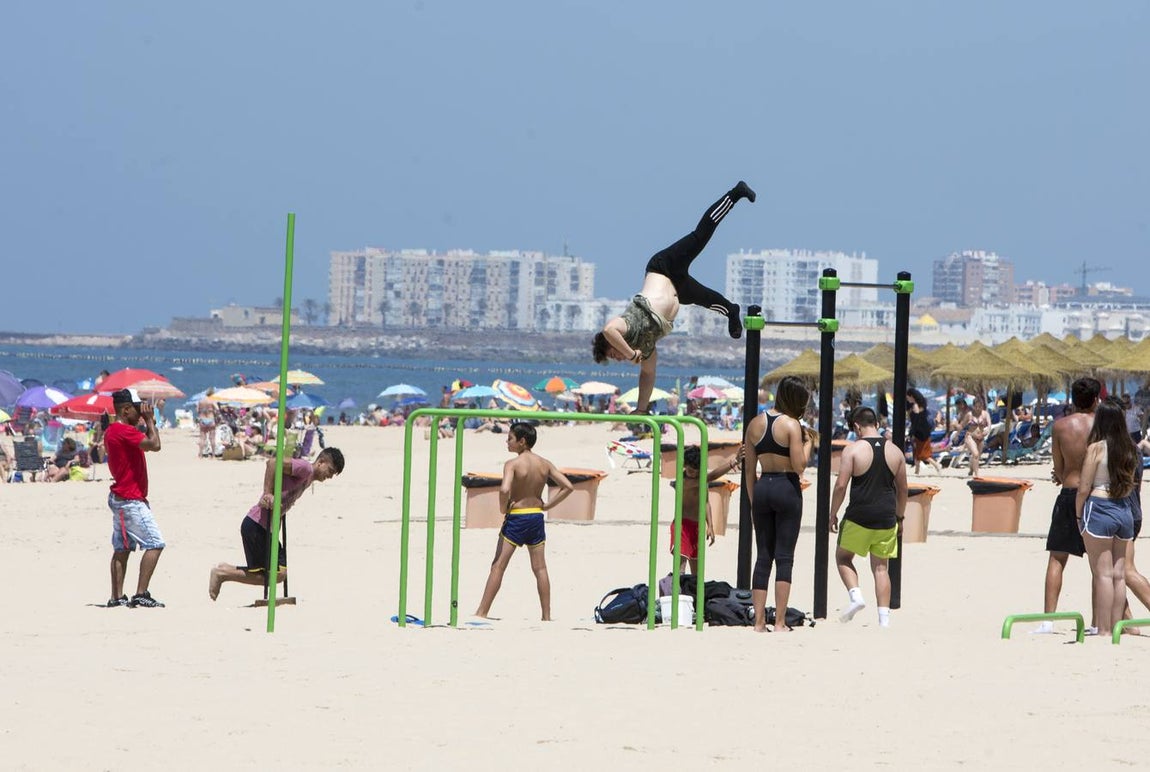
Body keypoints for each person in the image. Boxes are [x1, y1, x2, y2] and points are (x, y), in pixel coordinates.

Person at [592, 182, 755, 413]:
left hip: (664, 268)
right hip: (678, 291)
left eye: (613, 354)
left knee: (700, 236)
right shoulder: (645, 348)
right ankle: (732, 311)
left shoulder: (626, 328)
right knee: (708, 299)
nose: (618, 358)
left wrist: (629, 353)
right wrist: (640, 409)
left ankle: (735, 193)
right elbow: (648, 375)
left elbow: (609, 330)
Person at [208, 447, 345, 600]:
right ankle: (222, 573)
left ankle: (224, 571)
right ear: (321, 462)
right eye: (330, 471)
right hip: (256, 525)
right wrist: (267, 493)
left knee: (274, 574)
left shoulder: (308, 479)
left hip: (264, 528)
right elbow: (273, 463)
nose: (330, 476)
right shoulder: (305, 468)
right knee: (277, 574)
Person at [475, 423, 574, 621]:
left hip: (518, 517)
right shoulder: (544, 463)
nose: (507, 441)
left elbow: (504, 490)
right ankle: (546, 616)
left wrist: (503, 509)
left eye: (510, 438)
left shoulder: (512, 464)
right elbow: (568, 486)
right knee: (540, 568)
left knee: (498, 566)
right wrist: (547, 506)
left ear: (522, 441)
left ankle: (482, 612)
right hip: (536, 516)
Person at [743, 376, 814, 632]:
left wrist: (754, 500)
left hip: (762, 487)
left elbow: (749, 469)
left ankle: (759, 623)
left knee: (763, 557)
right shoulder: (792, 425)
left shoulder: (754, 424)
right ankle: (780, 622)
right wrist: (809, 443)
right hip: (786, 486)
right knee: (784, 558)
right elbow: (800, 466)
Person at [829, 406, 908, 627]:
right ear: (876, 423)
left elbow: (841, 486)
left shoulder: (853, 450)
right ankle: (884, 620)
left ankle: (856, 597)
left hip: (859, 515)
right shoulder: (896, 452)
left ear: (856, 426)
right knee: (881, 568)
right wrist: (900, 517)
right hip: (886, 517)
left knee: (843, 557)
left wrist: (832, 513)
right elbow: (903, 490)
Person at [1035, 377, 1100, 632]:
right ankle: (1096, 622)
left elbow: (1059, 470)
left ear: (1073, 398)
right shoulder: (1102, 426)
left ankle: (1048, 620)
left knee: (1057, 558)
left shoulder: (1060, 426)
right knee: (1099, 563)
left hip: (1069, 491)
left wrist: (1061, 475)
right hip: (1096, 495)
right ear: (1096, 399)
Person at [1077, 397, 1138, 636]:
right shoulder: (1130, 448)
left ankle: (1102, 629)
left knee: (1102, 573)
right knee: (1119, 574)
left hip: (1100, 505)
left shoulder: (1096, 448)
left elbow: (1084, 488)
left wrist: (1078, 515)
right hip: (1123, 508)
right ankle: (1115, 627)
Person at [104, 388, 165, 608]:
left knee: (122, 548)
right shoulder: (123, 431)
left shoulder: (114, 430)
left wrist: (144, 421)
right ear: (126, 409)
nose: (140, 413)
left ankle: (117, 597)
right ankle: (141, 593)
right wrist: (150, 421)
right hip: (130, 499)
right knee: (155, 543)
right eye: (137, 409)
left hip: (121, 497)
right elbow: (155, 445)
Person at [672, 445, 742, 575]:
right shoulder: (683, 481)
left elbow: (705, 502)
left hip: (697, 526)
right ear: (685, 466)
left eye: (696, 471)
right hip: (682, 525)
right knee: (680, 566)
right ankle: (678, 592)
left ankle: (692, 592)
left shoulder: (700, 480)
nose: (693, 473)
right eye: (690, 470)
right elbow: (711, 476)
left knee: (696, 570)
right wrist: (734, 462)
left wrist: (710, 525)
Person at [907, 388, 942, 476]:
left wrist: (911, 433)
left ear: (911, 396)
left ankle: (936, 465)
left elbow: (916, 421)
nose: (907, 398)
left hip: (920, 433)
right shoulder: (921, 405)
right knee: (917, 453)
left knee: (923, 454)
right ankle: (917, 471)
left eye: (908, 396)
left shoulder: (915, 406)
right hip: (923, 431)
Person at [961, 397, 991, 477]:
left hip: (981, 437)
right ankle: (977, 475)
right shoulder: (969, 415)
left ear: (982, 406)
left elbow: (989, 425)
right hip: (970, 436)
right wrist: (956, 435)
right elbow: (962, 425)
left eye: (979, 406)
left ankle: (971, 469)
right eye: (976, 406)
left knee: (977, 456)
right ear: (973, 406)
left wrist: (987, 431)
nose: (978, 408)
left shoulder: (985, 414)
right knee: (975, 454)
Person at [197, 388, 220, 458]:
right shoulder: (212, 401)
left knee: (202, 438)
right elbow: (217, 409)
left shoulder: (201, 401)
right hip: (210, 419)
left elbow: (197, 410)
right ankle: (213, 454)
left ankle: (200, 454)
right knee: (212, 438)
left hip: (202, 419)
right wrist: (214, 413)